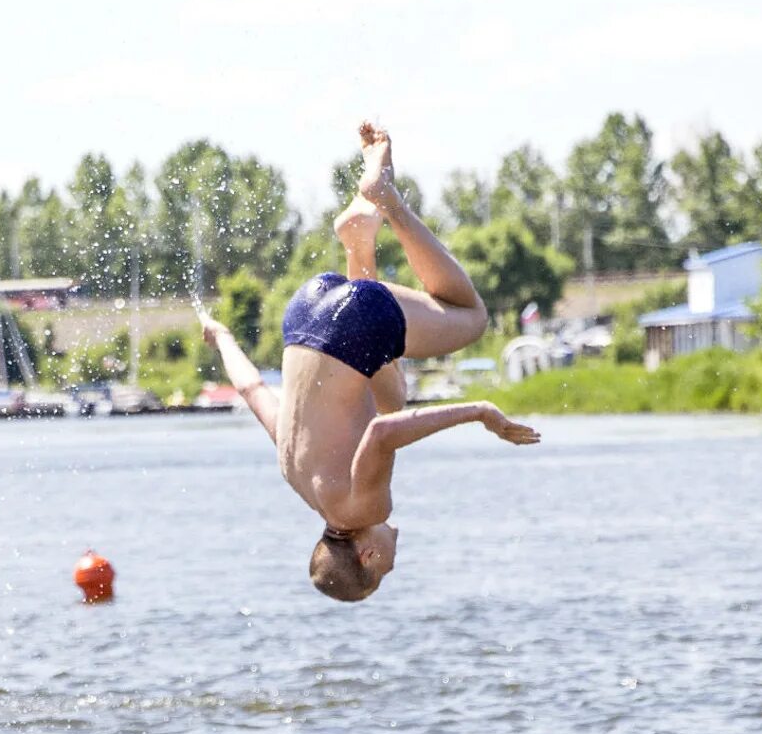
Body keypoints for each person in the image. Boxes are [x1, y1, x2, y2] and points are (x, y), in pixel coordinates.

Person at [201, 123, 540, 602]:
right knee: (390, 396)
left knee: (471, 318)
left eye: (386, 572)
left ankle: (385, 199)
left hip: (348, 328)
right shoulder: (298, 475)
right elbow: (254, 390)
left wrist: (479, 412)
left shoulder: (365, 508)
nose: (394, 560)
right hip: (304, 314)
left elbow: (384, 435)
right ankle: (358, 240)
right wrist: (222, 338)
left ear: (368, 558)